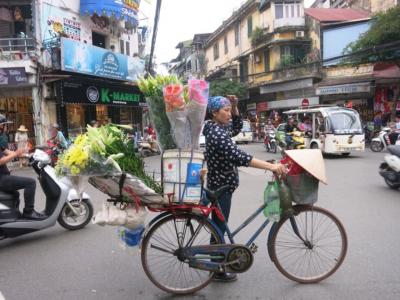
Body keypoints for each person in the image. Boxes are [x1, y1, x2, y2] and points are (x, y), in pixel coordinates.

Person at [203, 96, 286, 282]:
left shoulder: (218, 128)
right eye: (225, 110)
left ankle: (216, 264)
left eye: (229, 109)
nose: (229, 113)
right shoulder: (217, 134)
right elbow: (240, 157)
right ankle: (217, 268)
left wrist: (236, 107)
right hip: (221, 187)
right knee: (218, 228)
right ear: (214, 113)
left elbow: (236, 127)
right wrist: (270, 166)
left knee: (219, 227)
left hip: (222, 185)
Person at [0, 114, 46, 220]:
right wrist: (16, 153)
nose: (6, 127)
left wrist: (27, 154)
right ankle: (29, 212)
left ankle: (14, 216)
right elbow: (1, 160)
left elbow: (8, 152)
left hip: (3, 176)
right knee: (30, 182)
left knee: (15, 194)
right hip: (2, 179)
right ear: (1, 126)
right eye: (5, 125)